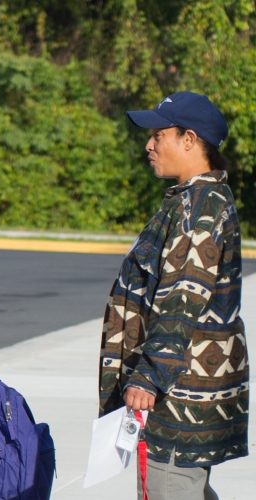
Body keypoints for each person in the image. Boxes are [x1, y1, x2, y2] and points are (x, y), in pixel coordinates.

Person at [101, 91, 246, 500]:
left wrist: (149, 374)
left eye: (158, 134)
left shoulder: (199, 206)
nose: (149, 144)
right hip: (183, 390)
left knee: (170, 488)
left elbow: (183, 295)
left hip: (177, 396)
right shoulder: (195, 199)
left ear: (189, 140)